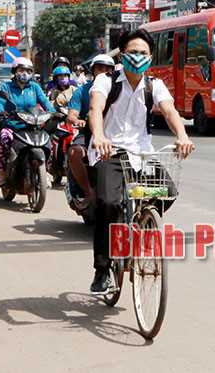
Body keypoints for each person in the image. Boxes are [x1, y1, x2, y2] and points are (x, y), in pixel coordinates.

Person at [87, 29, 195, 294]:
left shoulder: (154, 85)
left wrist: (182, 135)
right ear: (123, 55)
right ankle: (102, 270)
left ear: (151, 56)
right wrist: (99, 135)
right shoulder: (106, 81)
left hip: (142, 154)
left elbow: (169, 111)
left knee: (166, 192)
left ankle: (141, 227)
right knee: (108, 203)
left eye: (144, 53)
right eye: (133, 52)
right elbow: (95, 109)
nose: (138, 57)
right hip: (108, 152)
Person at [0, 57, 55, 184]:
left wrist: (53, 112)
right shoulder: (6, 87)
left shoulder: (35, 87)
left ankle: (46, 170)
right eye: (21, 70)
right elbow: (0, 102)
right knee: (5, 138)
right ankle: (2, 172)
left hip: (32, 125)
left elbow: (44, 101)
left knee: (48, 141)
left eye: (28, 71)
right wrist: (1, 111)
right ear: (15, 71)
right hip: (12, 125)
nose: (25, 73)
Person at [66, 54, 115, 205]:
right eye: (100, 68)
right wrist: (78, 121)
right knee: (74, 152)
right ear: (93, 70)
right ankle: (88, 191)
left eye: (108, 69)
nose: (104, 71)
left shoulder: (119, 88)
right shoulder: (81, 91)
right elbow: (71, 115)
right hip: (89, 133)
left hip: (115, 133)